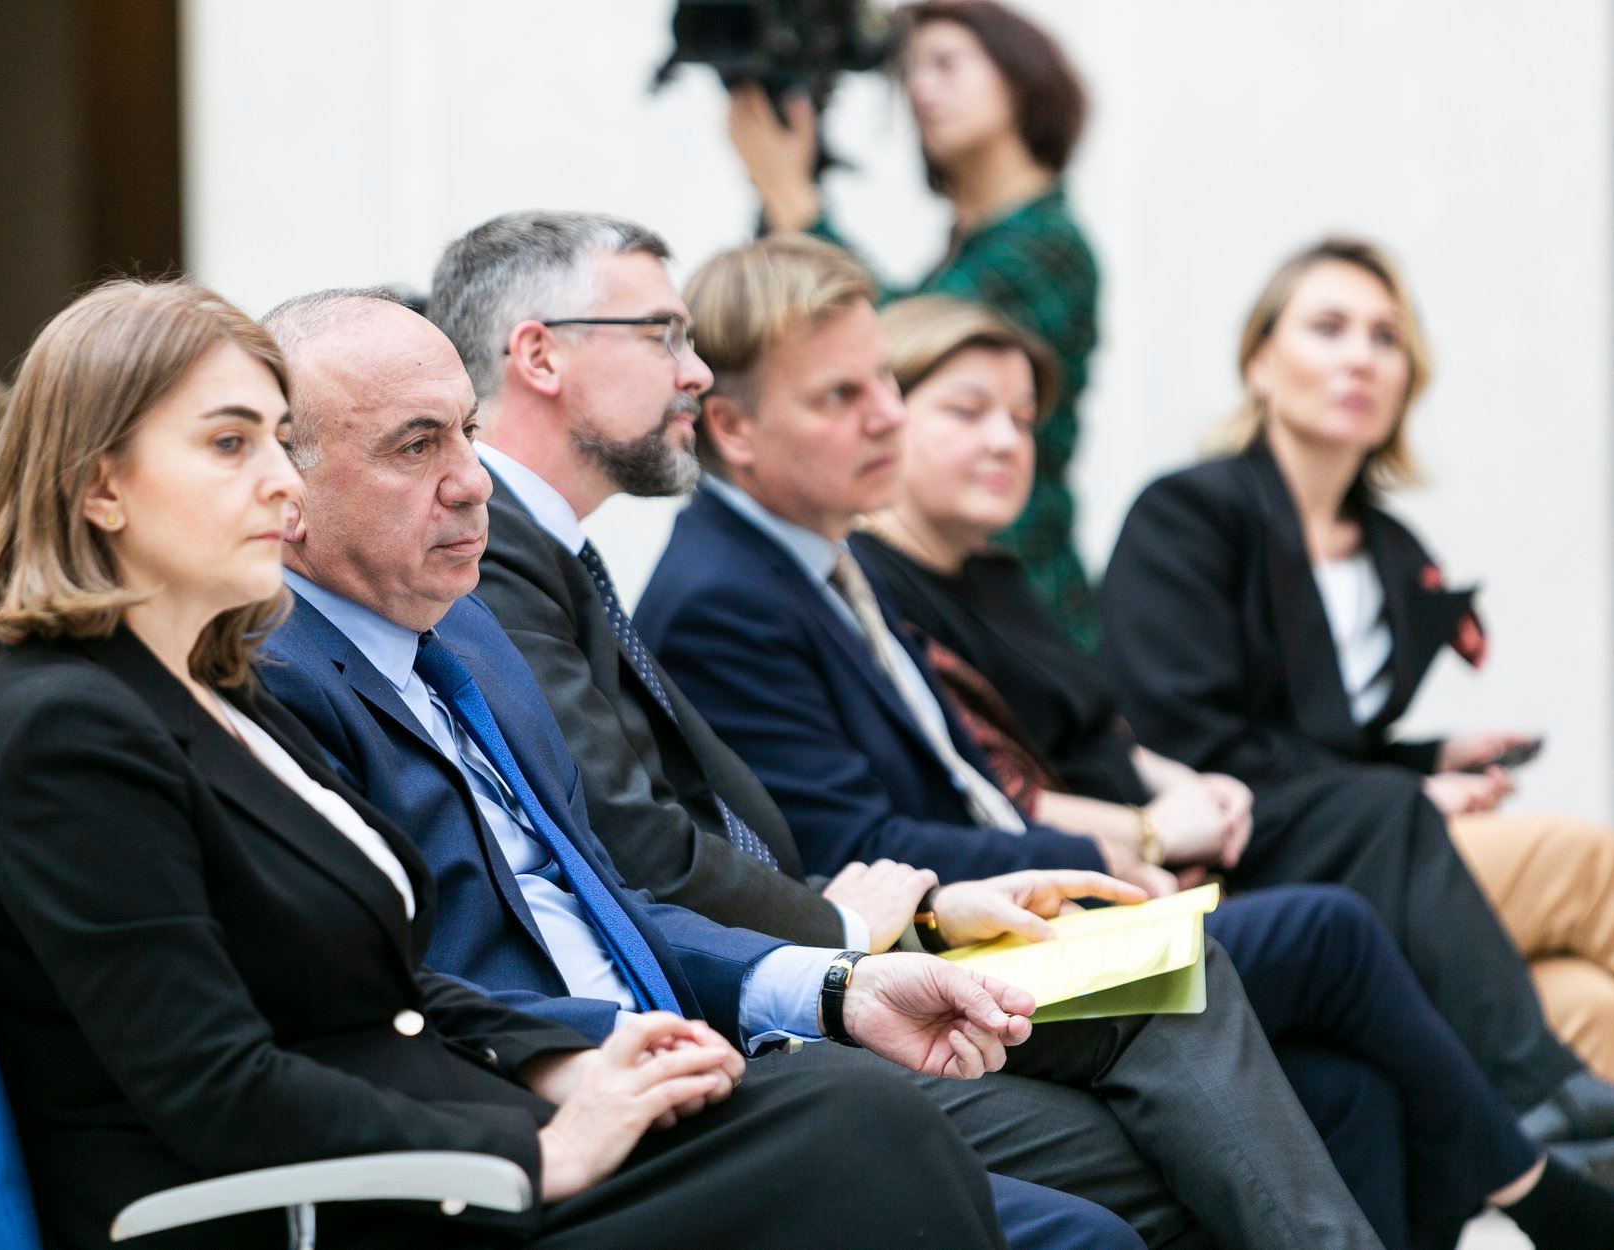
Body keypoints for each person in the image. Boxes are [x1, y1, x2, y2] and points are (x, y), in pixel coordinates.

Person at [0, 276, 1008, 1250]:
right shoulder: (65, 728)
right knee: (850, 1129)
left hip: (440, 1144)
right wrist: (536, 1149)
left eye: (277, 441)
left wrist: (573, 1055)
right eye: (231, 445)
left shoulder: (209, 692)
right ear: (101, 488)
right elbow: (216, 1086)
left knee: (846, 1115)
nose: (279, 485)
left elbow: (390, 988)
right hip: (326, 1206)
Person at [256, 286, 1156, 1250]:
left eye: (468, 433)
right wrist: (597, 1055)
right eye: (414, 446)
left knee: (1098, 1215)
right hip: (532, 1134)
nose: (473, 480)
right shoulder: (271, 683)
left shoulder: (469, 635)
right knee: (913, 1132)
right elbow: (382, 998)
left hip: (692, 1063)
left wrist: (838, 984)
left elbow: (611, 907)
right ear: (282, 490)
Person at [853, 292, 1614, 1244]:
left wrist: (1400, 760)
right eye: (968, 411)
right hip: (1164, 870)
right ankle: (1540, 1167)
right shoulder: (1184, 515)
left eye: (1021, 418)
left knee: (1566, 1001)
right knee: (1544, 865)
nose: (1007, 441)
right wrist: (1154, 823)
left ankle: (1550, 1138)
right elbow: (1008, 790)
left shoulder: (1000, 576)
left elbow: (1133, 735)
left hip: (1226, 837)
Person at [1100, 238, 1614, 1114]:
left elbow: (1318, 735)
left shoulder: (1389, 551)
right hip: (1249, 857)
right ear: (1259, 362)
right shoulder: (1187, 516)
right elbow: (1192, 738)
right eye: (1328, 327)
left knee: (1585, 1003)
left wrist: (1425, 759)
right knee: (1588, 865)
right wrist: (1405, 789)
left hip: (1366, 838)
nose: (1360, 358)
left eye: (1385, 337)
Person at [727, 0, 1101, 645]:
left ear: (1021, 78)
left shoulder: (1048, 246)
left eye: (946, 65)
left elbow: (903, 341)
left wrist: (794, 198)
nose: (922, 91)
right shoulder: (974, 244)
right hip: (961, 589)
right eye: (912, 73)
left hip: (1017, 597)